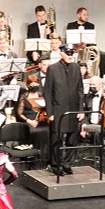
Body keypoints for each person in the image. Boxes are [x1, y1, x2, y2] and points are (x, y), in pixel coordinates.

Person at [43, 43, 84, 176]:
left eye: (72, 53)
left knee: (73, 139)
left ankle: (67, 163)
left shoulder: (76, 67)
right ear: (61, 53)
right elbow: (47, 92)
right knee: (57, 139)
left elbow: (80, 90)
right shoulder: (53, 69)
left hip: (73, 109)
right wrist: (50, 113)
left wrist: (80, 110)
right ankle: (56, 164)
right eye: (68, 53)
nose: (70, 56)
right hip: (58, 110)